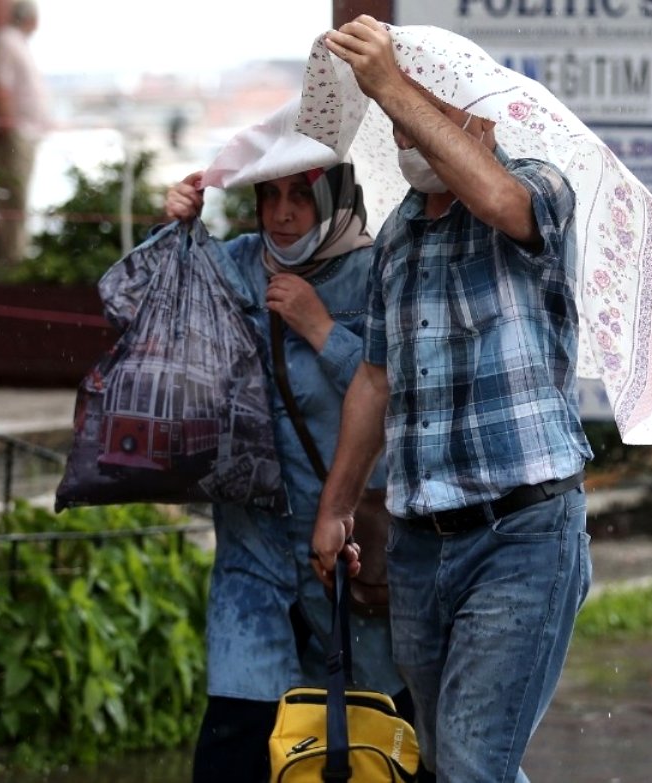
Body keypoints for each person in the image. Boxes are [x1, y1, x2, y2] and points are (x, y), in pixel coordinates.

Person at [310, 16, 598, 782]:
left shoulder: (536, 187)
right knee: (455, 764)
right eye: (400, 121)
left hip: (523, 535)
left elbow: (502, 202)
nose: (408, 132)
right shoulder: (398, 236)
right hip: (420, 545)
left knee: (473, 765)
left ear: (477, 114)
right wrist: (336, 507)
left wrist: (393, 85)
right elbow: (375, 378)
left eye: (426, 113)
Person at [165, 159, 411, 782]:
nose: (282, 213)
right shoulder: (237, 263)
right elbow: (155, 310)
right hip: (254, 553)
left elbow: (404, 391)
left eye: (301, 195)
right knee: (236, 744)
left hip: (351, 561)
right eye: (268, 196)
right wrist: (175, 229)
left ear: (334, 197)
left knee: (371, 744)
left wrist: (322, 329)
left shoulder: (377, 271)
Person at [0, 0, 51, 266]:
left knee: (17, 198)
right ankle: (12, 259)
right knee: (14, 198)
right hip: (13, 134)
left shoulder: (14, 42)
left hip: (22, 133)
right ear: (30, 18)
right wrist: (7, 127)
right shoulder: (7, 42)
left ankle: (15, 256)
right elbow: (0, 85)